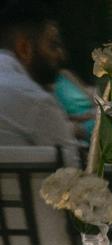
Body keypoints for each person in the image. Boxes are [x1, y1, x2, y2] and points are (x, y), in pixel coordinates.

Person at [0, 1, 76, 147]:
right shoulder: (37, 101)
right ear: (24, 48)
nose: (61, 55)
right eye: (53, 45)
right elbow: (73, 167)